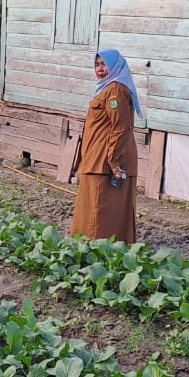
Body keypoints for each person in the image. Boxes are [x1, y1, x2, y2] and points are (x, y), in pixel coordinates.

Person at [71, 49, 141, 243]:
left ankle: (99, 249)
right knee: (94, 208)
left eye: (104, 64)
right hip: (96, 159)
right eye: (97, 64)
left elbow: (121, 127)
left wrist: (114, 161)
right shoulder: (106, 89)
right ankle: (92, 246)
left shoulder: (115, 91)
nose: (100, 69)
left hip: (105, 162)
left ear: (116, 66)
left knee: (100, 209)